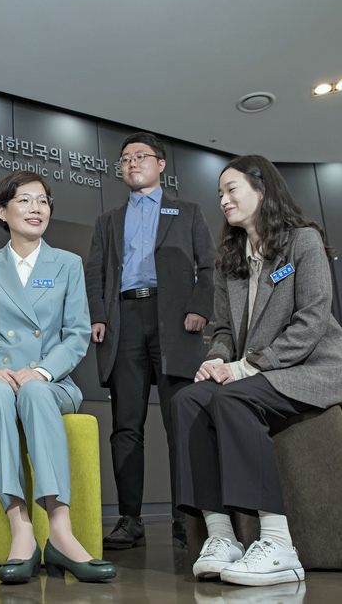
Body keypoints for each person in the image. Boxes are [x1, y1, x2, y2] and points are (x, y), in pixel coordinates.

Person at [173, 155, 342, 586]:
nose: (223, 200)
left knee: (233, 397)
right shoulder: (229, 259)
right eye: (219, 193)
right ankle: (221, 536)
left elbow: (311, 321)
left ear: (262, 189)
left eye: (231, 189)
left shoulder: (302, 241)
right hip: (253, 370)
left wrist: (246, 366)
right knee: (188, 400)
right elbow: (223, 330)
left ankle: (277, 543)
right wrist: (217, 359)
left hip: (306, 367)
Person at [0, 170, 116, 584]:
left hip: (51, 379)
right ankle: (21, 529)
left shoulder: (67, 264)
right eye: (25, 200)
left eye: (43, 200)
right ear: (2, 211)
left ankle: (61, 532)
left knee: (36, 393)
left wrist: (41, 372)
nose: (36, 208)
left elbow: (77, 334)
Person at [84, 131, 215, 549]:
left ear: (160, 164)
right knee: (125, 425)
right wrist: (98, 315)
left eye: (141, 156)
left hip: (175, 322)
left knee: (181, 423)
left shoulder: (187, 212)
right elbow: (95, 272)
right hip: (124, 319)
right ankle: (130, 519)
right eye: (125, 159)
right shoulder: (108, 220)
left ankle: (184, 518)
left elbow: (208, 266)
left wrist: (199, 307)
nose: (132, 163)